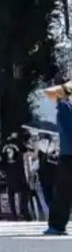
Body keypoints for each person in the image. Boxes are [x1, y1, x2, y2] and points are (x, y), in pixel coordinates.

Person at [42, 81, 72, 235]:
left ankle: (57, 225)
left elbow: (69, 129)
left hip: (68, 156)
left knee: (62, 193)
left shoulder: (64, 108)